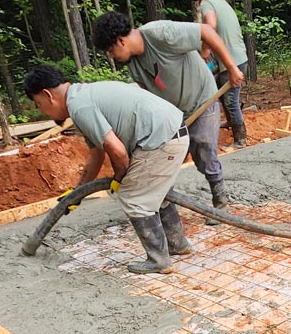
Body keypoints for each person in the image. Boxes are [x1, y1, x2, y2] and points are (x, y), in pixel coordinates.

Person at [23, 64, 191, 275]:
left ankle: (159, 260)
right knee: (155, 193)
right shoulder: (85, 95)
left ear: (48, 95)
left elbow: (117, 151)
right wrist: (77, 193)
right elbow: (97, 155)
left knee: (134, 198)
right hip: (173, 132)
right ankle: (178, 245)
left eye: (39, 104)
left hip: (160, 139)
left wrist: (120, 177)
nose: (42, 111)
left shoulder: (79, 107)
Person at [91, 12, 245, 211]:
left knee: (203, 147)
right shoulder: (133, 63)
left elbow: (206, 30)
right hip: (172, 112)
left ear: (121, 41)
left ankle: (220, 198)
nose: (111, 56)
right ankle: (162, 203)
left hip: (201, 98)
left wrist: (232, 68)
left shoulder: (160, 34)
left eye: (110, 51)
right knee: (162, 156)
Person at [192, 0, 249, 149]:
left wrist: (205, 50)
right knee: (218, 88)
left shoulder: (207, 3)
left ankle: (240, 140)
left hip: (232, 61)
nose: (198, 2)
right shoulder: (221, 1)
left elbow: (210, 25)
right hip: (238, 57)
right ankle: (231, 122)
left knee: (231, 100)